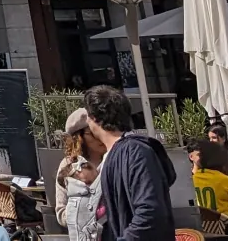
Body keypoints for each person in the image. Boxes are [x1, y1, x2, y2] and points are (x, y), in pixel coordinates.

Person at [84, 84, 176, 241]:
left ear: (94, 118)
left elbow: (150, 212)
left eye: (87, 115)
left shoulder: (135, 152)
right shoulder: (118, 153)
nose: (86, 121)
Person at [53, 109, 102, 241]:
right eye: (92, 132)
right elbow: (61, 212)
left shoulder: (112, 158)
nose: (99, 135)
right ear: (79, 137)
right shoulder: (68, 166)